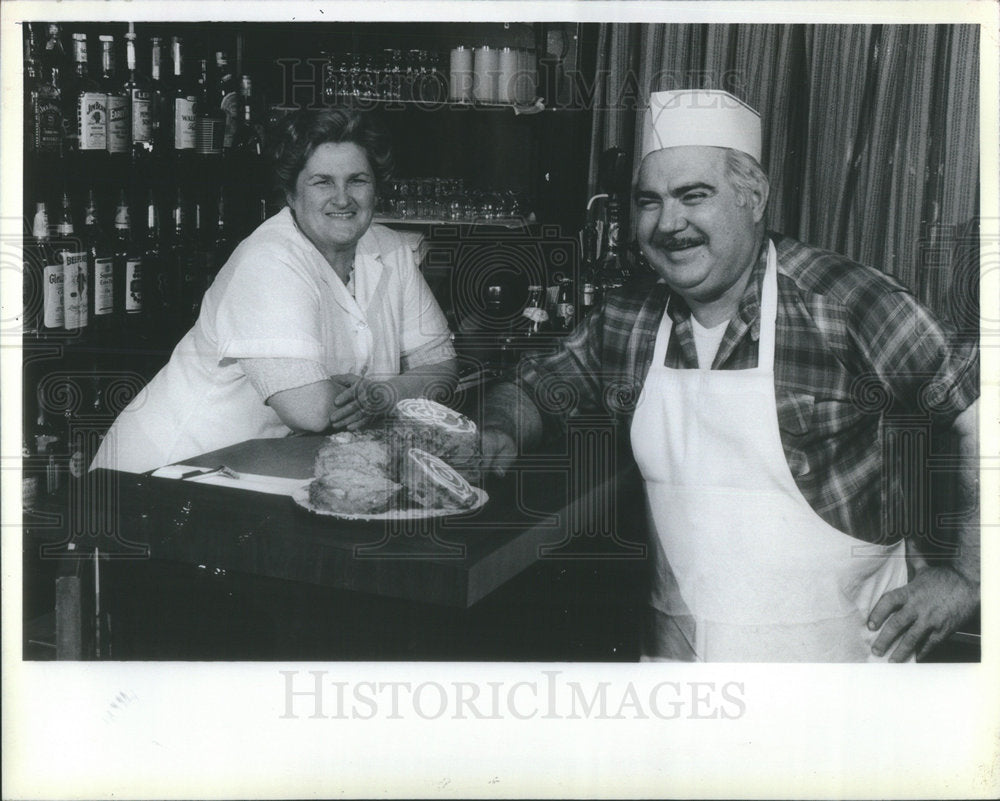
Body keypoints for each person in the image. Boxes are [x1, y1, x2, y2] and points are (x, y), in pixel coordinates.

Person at [480, 90, 980, 663]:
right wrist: (501, 429)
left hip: (840, 679)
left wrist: (969, 578)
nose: (669, 224)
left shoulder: (846, 302)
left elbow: (982, 414)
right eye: (649, 201)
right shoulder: (628, 317)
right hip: (680, 674)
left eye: (694, 196)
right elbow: (532, 388)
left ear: (754, 197)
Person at [92, 108, 457, 474]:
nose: (343, 198)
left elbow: (442, 367)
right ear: (291, 195)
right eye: (322, 182)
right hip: (164, 472)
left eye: (358, 180)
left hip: (250, 472)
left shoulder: (391, 250)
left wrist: (377, 395)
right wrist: (394, 392)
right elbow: (310, 411)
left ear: (376, 188)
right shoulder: (268, 259)